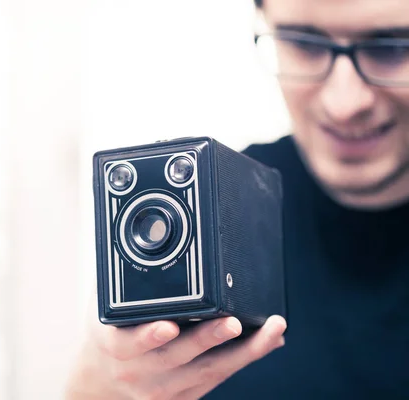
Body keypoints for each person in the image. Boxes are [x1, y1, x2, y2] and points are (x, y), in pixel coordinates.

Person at [65, 0, 409, 398]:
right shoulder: (223, 202)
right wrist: (101, 382)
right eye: (304, 43)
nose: (344, 104)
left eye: (393, 47)